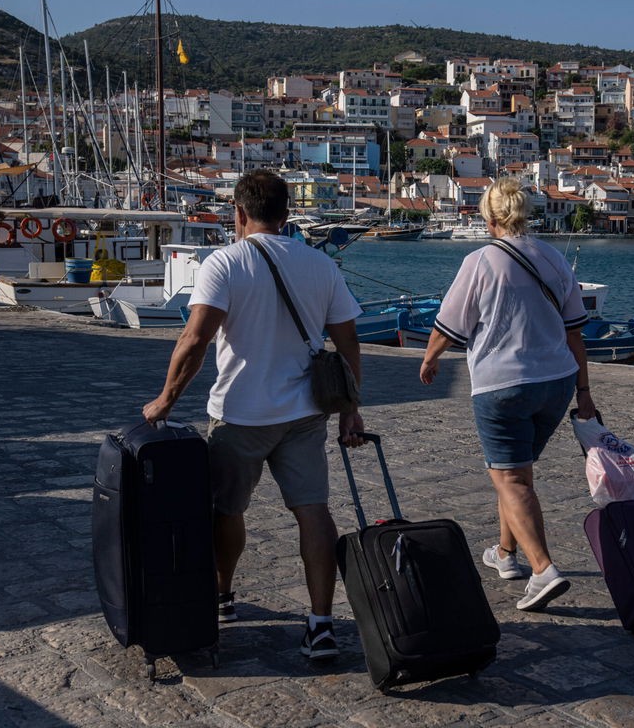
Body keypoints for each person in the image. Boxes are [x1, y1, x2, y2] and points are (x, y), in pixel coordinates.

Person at [143, 171, 364, 662]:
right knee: (313, 511)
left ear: (239, 214)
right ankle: (321, 624)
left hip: (240, 413)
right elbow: (348, 342)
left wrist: (165, 401)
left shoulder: (225, 262)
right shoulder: (320, 265)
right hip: (307, 412)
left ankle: (223, 596)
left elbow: (195, 340)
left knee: (227, 509)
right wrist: (351, 411)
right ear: (286, 214)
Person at [419, 177, 596, 611]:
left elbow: (450, 324)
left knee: (511, 477)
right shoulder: (554, 257)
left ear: (488, 216)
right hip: (556, 382)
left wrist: (429, 359)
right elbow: (576, 333)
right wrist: (584, 392)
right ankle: (505, 554)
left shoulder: (481, 261)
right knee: (517, 472)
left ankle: (543, 570)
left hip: (503, 384)